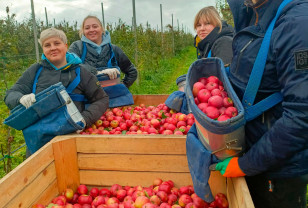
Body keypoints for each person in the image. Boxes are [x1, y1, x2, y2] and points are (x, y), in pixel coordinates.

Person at [214, 0, 308, 207]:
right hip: (254, 155)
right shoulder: (253, 12)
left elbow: (302, 115)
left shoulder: (298, 24)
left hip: (278, 173)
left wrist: (245, 165)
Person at [4, 28, 109, 154]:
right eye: (47, 45)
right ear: (43, 49)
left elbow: (102, 99)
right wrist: (19, 98)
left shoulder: (80, 72)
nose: (52, 48)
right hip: (40, 142)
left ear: (65, 46)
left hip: (72, 138)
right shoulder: (36, 71)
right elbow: (11, 94)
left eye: (57, 43)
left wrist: (84, 119)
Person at [165, 7, 234, 114]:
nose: (202, 28)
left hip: (220, 104)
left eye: (207, 23)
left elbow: (225, 81)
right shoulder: (207, 45)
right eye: (198, 25)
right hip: (209, 99)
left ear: (217, 24)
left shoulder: (223, 43)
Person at [69, 15, 137, 108]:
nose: (91, 30)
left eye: (95, 26)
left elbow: (132, 71)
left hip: (113, 104)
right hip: (87, 104)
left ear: (102, 28)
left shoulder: (113, 49)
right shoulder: (77, 47)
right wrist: (97, 72)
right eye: (87, 28)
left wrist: (121, 87)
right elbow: (70, 66)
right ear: (83, 31)